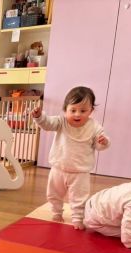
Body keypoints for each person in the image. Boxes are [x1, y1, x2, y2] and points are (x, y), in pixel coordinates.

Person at [31, 86, 110, 229]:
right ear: (65, 109)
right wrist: (39, 117)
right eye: (73, 110)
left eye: (83, 111)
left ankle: (78, 218)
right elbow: (47, 124)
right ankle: (56, 212)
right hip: (58, 168)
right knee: (54, 194)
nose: (77, 114)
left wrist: (103, 142)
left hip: (80, 172)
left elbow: (99, 146)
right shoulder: (61, 122)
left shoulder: (94, 127)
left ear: (91, 111)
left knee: (79, 198)